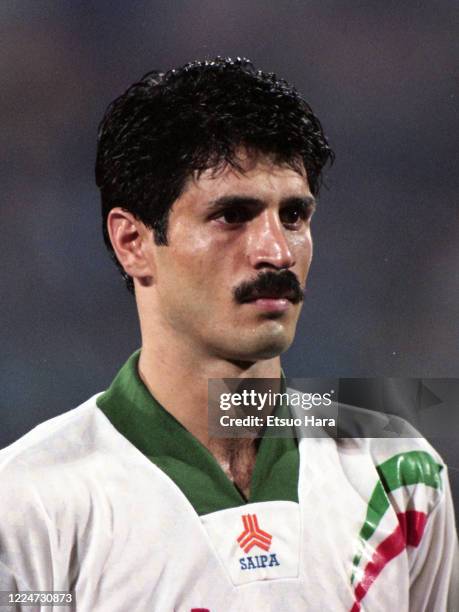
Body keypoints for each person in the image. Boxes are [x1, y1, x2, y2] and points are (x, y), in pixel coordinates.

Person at [0, 58, 457, 612]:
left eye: (293, 215)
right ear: (132, 242)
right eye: (232, 215)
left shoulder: (400, 470)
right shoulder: (28, 504)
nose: (277, 251)